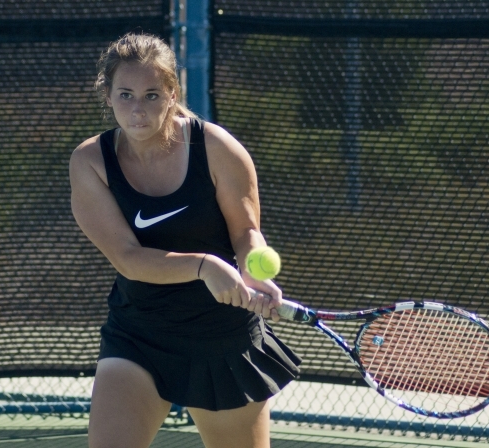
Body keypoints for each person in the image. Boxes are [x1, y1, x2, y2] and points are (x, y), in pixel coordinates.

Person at [69, 32, 301, 448]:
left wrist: (252, 268)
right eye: (125, 95)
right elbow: (127, 257)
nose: (138, 109)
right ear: (108, 96)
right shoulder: (90, 162)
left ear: (172, 94)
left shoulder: (216, 147)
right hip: (139, 334)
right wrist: (205, 266)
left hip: (222, 339)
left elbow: (246, 232)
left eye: (152, 95)